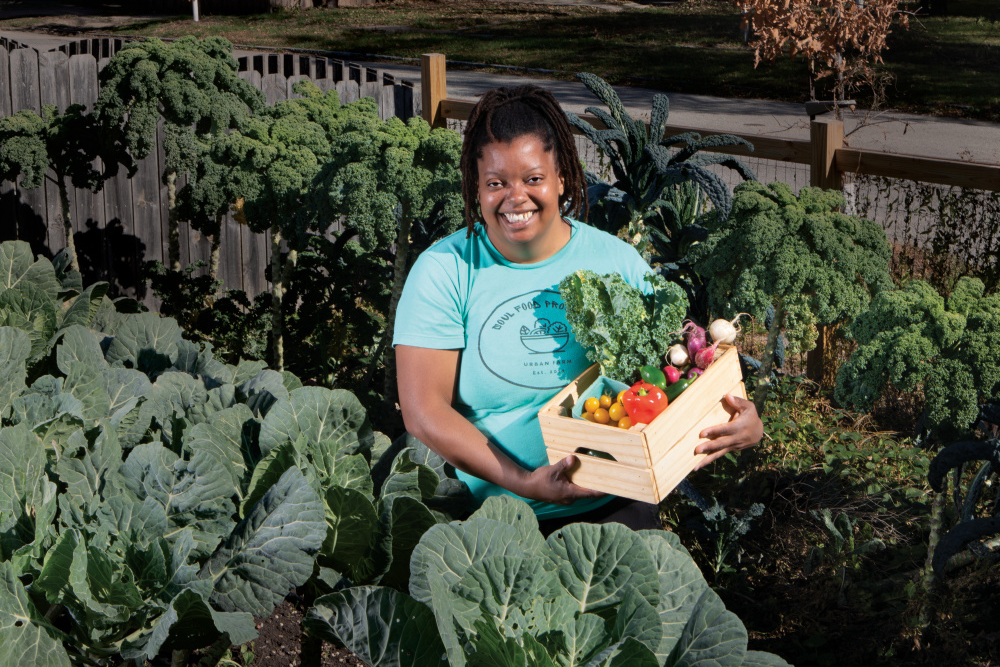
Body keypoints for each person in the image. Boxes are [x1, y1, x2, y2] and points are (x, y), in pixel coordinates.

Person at [393, 84, 763, 533]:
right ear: (476, 186)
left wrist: (731, 418)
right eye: (495, 183)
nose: (515, 198)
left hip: (616, 507)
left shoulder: (617, 262)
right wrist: (524, 482)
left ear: (563, 176)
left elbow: (670, 375)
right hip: (495, 519)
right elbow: (423, 411)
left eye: (533, 179)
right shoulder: (445, 270)